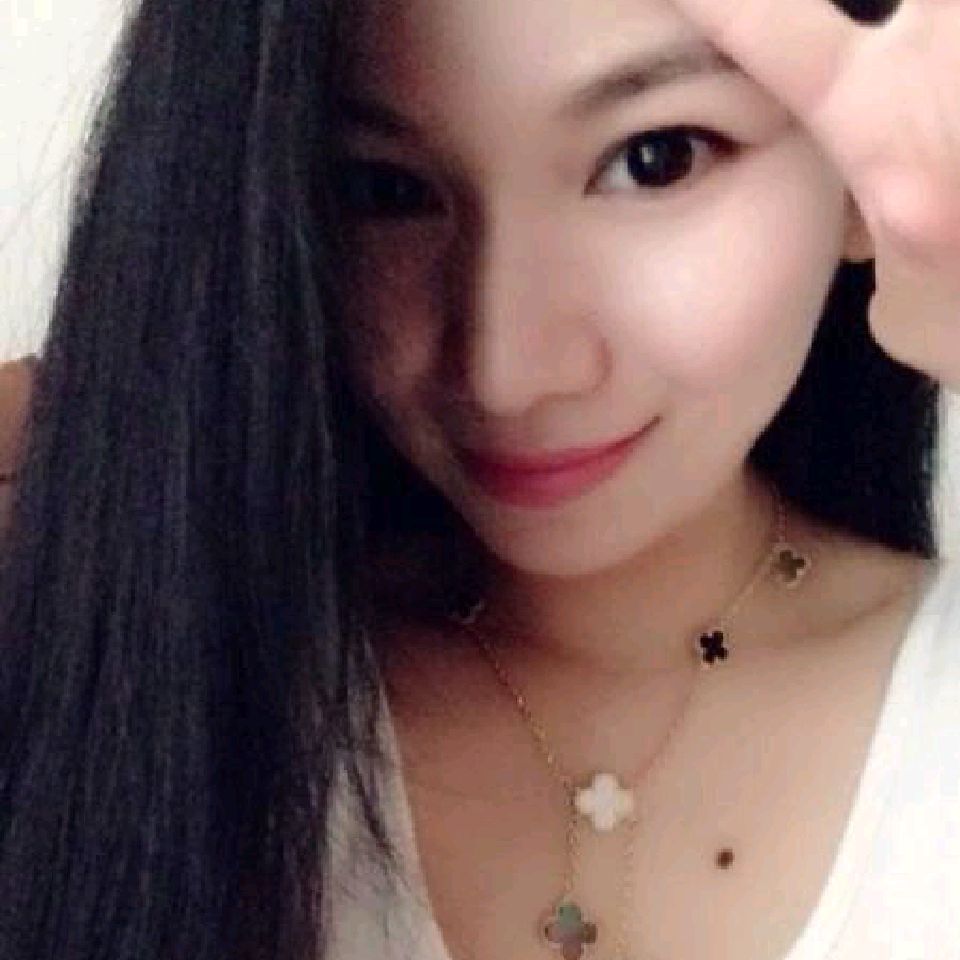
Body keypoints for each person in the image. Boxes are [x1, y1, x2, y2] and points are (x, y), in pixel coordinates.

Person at [0, 1, 957, 959]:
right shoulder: (144, 688)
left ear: (866, 177)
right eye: (384, 189)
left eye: (655, 159)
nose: (506, 370)